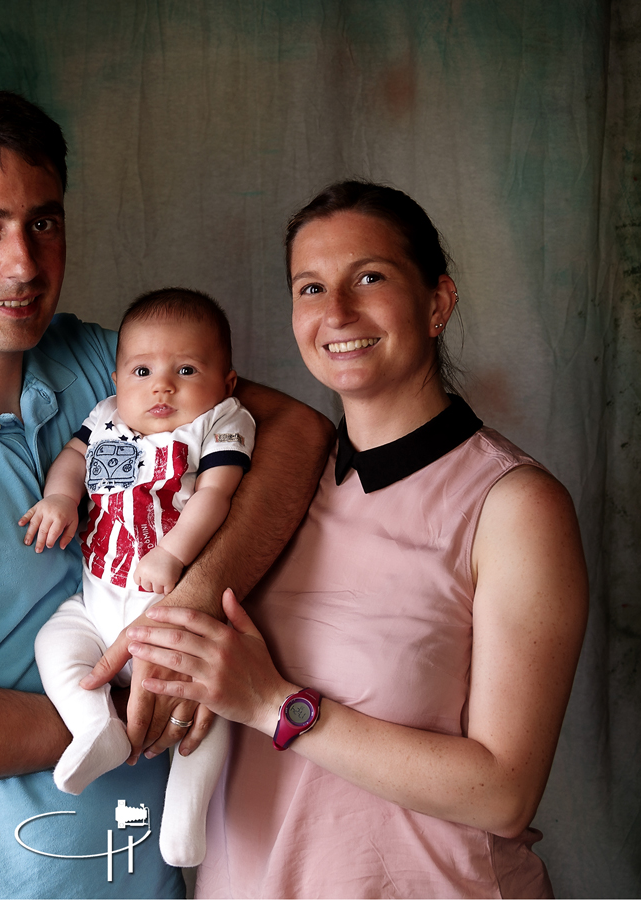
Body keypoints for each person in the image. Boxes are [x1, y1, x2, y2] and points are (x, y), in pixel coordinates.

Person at [0, 88, 334, 899]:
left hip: (139, 877)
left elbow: (295, 433)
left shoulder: (100, 363)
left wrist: (184, 608)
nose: (24, 264)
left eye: (42, 222)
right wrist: (131, 697)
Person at [126, 181, 589, 898]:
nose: (336, 312)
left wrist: (273, 705)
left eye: (369, 277)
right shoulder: (273, 487)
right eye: (310, 288)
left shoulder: (512, 506)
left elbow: (505, 791)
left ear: (437, 302)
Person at [25, 287, 255, 868]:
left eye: (186, 369)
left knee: (207, 695)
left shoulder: (222, 422)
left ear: (226, 382)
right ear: (118, 377)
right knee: (54, 642)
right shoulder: (106, 416)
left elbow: (217, 493)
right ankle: (94, 727)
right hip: (96, 598)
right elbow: (74, 460)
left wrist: (174, 551)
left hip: (166, 598)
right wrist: (60, 497)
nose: (162, 386)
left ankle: (184, 814)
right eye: (143, 371)